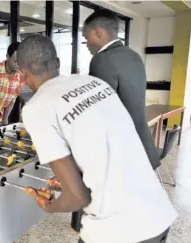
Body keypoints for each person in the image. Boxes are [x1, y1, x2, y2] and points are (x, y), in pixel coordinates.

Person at [17, 35, 177, 243]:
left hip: (118, 232)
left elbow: (77, 197)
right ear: (57, 62)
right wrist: (72, 178)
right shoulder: (93, 83)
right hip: (158, 214)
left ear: (23, 74)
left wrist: (49, 206)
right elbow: (106, 144)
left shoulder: (36, 108)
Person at [83, 10, 160, 170]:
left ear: (98, 32)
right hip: (143, 148)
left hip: (122, 153)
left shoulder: (102, 59)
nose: (87, 44)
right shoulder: (134, 56)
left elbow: (99, 112)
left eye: (86, 38)